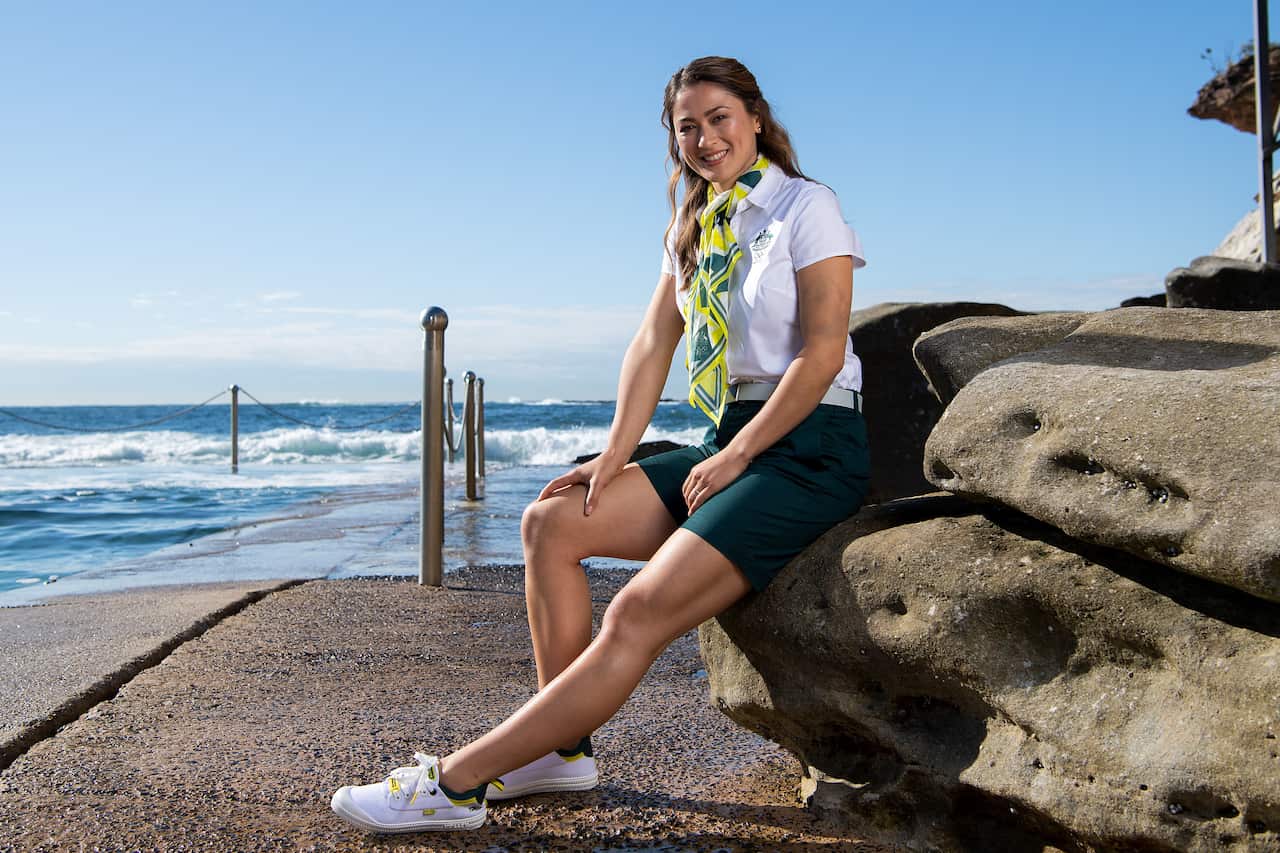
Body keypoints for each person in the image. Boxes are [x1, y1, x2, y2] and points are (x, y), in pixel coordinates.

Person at [330, 55, 870, 834]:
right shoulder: (693, 227)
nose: (705, 139)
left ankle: (453, 783)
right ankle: (561, 752)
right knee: (552, 521)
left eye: (719, 118)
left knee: (637, 609)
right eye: (687, 127)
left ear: (755, 117)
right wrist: (616, 454)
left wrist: (738, 455)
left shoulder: (805, 206)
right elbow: (652, 342)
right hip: (727, 437)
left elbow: (821, 354)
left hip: (809, 446)